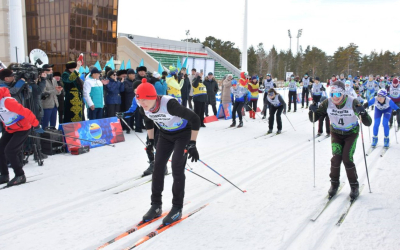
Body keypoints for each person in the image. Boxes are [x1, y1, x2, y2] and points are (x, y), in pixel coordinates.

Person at [136, 80, 201, 225]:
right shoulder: (144, 108)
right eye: (139, 99)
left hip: (183, 134)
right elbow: (148, 120)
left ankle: (177, 207)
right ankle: (156, 205)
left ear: (153, 97)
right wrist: (150, 141)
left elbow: (195, 119)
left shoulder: (169, 105)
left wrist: (192, 143)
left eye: (145, 99)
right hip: (165, 135)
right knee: (158, 167)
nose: (142, 102)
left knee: (177, 167)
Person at [309, 81, 372, 199]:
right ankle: (334, 184)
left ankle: (354, 186)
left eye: (338, 94)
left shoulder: (353, 102)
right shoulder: (327, 103)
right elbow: (314, 118)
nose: (334, 97)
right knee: (336, 159)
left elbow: (368, 123)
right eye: (332, 94)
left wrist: (363, 113)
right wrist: (312, 110)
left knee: (347, 158)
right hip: (336, 133)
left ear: (343, 93)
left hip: (351, 133)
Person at [0, 87, 43, 186]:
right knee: (1, 148)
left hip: (22, 128)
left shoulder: (7, 102)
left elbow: (26, 112)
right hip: (11, 128)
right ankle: (4, 175)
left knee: (10, 150)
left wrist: (36, 124)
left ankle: (20, 175)